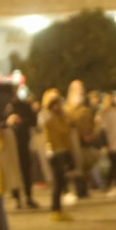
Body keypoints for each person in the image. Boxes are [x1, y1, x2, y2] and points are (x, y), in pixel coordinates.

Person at [42, 89, 74, 221]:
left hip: (62, 151)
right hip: (55, 153)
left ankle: (58, 209)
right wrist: (63, 119)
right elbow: (63, 131)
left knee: (60, 181)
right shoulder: (51, 119)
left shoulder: (59, 118)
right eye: (55, 105)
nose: (58, 107)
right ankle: (55, 209)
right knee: (58, 182)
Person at [7, 89, 39, 209]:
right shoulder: (5, 107)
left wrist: (22, 121)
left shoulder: (24, 106)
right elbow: (0, 123)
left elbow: (33, 121)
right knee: (13, 171)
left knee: (26, 171)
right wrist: (9, 121)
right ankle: (16, 198)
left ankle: (28, 197)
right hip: (10, 144)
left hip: (23, 142)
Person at [99, 92, 116, 198]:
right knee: (114, 165)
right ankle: (112, 185)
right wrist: (106, 144)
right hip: (113, 142)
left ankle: (114, 185)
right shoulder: (105, 113)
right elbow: (103, 130)